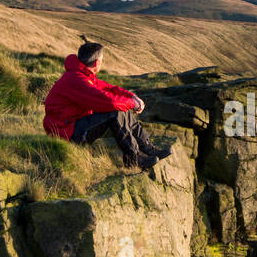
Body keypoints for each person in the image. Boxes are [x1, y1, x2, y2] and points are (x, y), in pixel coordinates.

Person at [43, 42, 172, 169]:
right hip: (66, 132)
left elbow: (109, 88)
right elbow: (111, 102)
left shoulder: (82, 74)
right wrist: (132, 104)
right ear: (97, 63)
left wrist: (131, 97)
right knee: (115, 111)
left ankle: (147, 148)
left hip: (73, 124)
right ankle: (133, 158)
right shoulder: (77, 80)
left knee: (121, 107)